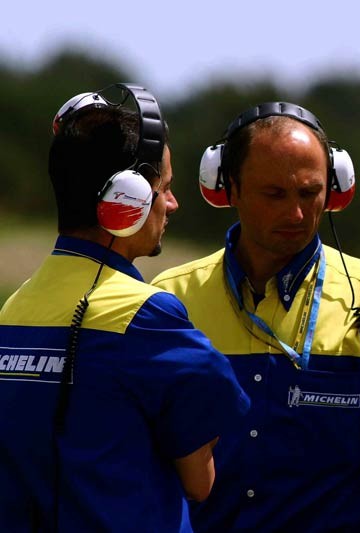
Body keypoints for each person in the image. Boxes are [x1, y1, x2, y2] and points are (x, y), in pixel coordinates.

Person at [152, 101, 360, 532]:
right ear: (228, 188)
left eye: (310, 193)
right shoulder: (168, 302)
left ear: (334, 189)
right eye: (274, 194)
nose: (295, 214)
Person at [0, 85, 250, 532]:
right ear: (126, 199)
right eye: (165, 188)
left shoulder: (14, 308)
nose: (172, 204)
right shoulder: (152, 318)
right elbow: (200, 482)